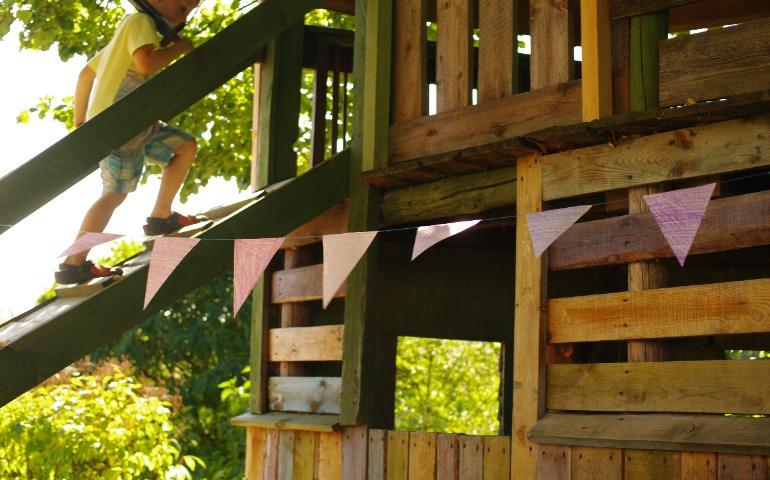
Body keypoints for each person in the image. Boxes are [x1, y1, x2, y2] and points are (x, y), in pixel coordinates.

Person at [55, 0, 205, 285]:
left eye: (188, 12)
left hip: (138, 126)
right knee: (113, 194)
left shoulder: (127, 31)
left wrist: (80, 122)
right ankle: (73, 262)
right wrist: (180, 48)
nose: (183, 18)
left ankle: (161, 215)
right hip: (120, 129)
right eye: (182, 7)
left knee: (185, 147)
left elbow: (86, 74)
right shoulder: (141, 22)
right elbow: (145, 63)